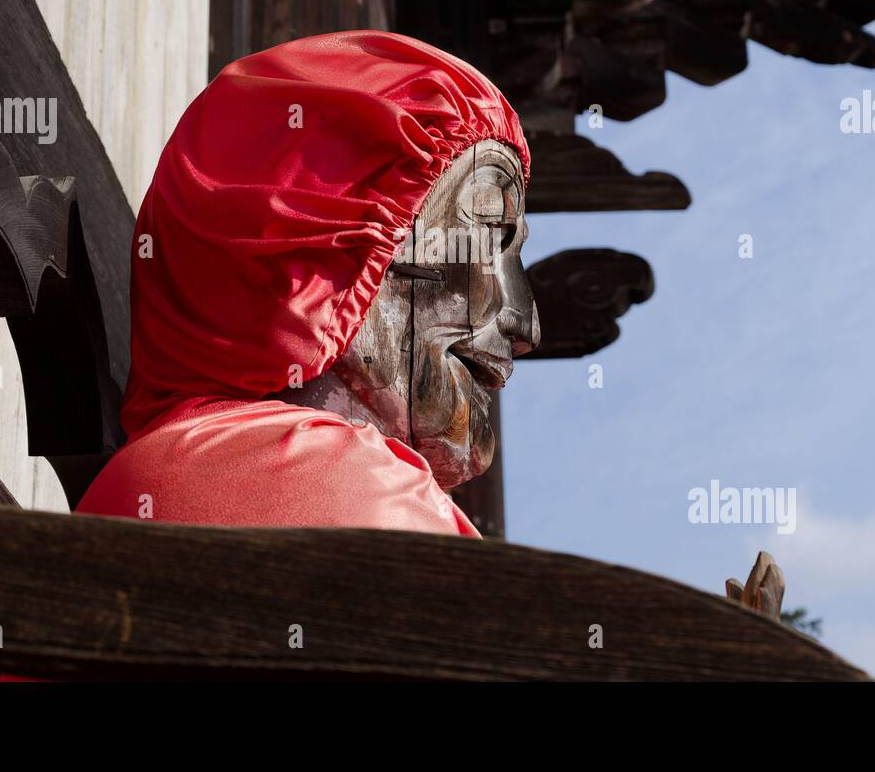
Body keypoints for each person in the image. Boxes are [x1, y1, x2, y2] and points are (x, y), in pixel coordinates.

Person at [77, 31, 539, 538]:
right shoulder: (353, 495)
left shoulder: (189, 463)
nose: (525, 324)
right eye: (489, 233)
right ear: (324, 257)